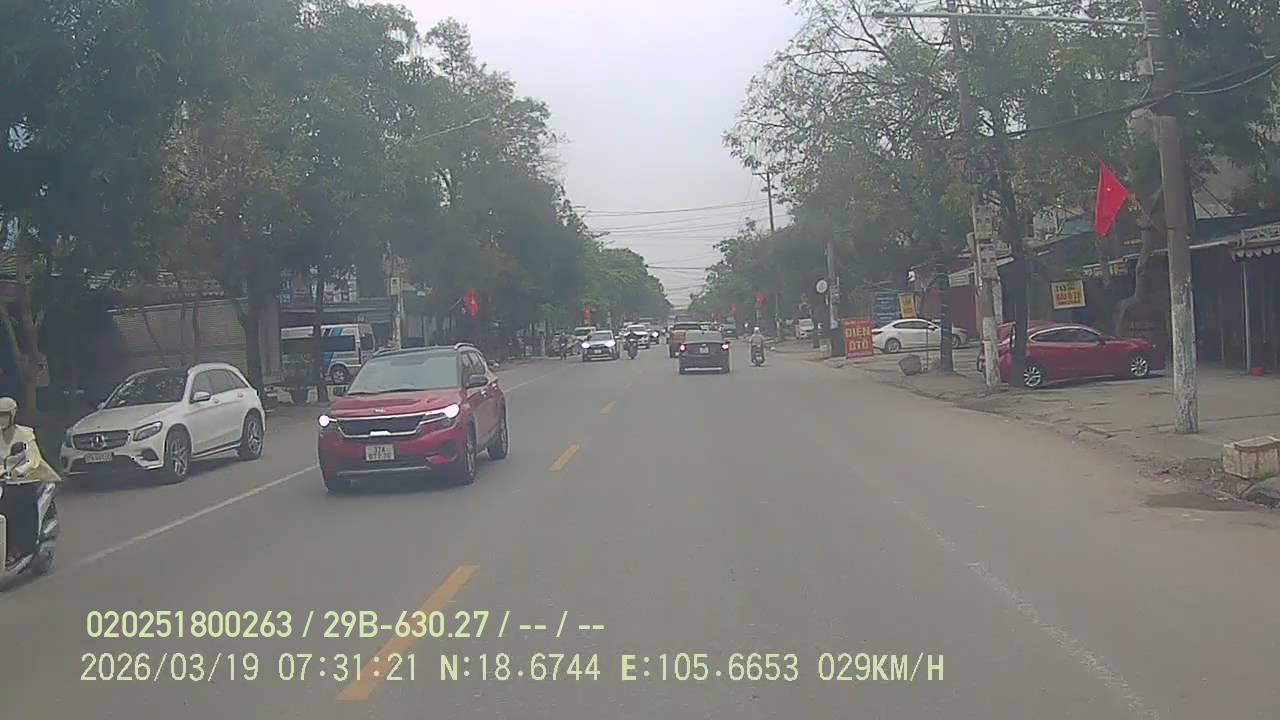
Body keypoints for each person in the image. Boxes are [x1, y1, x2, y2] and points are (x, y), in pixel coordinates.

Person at [0, 397, 60, 565]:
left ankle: (18, 547)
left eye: (4, 415)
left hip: (24, 481)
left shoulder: (24, 434)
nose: (1, 419)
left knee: (9, 508)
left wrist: (19, 471)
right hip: (2, 481)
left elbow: (33, 459)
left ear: (13, 415)